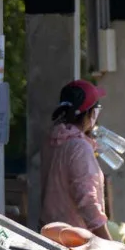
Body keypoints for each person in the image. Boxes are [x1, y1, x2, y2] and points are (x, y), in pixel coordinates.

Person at [40, 79, 110, 237]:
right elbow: (87, 202)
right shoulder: (79, 148)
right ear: (90, 114)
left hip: (50, 234)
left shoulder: (52, 140)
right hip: (75, 241)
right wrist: (109, 244)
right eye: (96, 108)